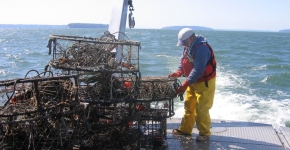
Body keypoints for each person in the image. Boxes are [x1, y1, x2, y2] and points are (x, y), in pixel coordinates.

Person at [168, 28, 216, 141]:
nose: (183, 44)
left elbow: (198, 70)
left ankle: (204, 133)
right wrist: (179, 71)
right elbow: (183, 60)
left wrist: (184, 85)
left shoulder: (202, 49)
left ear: (190, 38)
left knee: (201, 108)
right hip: (192, 81)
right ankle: (185, 130)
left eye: (184, 42)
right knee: (189, 105)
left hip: (204, 83)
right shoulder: (188, 45)